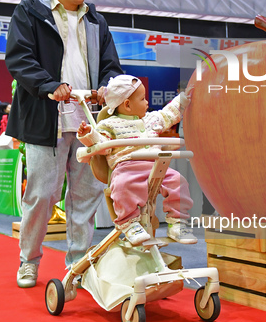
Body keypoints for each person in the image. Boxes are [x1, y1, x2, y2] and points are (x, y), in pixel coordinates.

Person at [5, 0, 123, 288]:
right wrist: (49, 85)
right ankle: (29, 260)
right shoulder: (31, 11)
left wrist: (105, 87)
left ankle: (78, 265)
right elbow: (19, 58)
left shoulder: (96, 20)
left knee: (85, 197)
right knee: (42, 195)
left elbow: (111, 66)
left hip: (87, 121)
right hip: (46, 118)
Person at [77, 75, 196, 245]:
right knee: (121, 186)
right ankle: (129, 223)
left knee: (178, 181)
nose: (147, 102)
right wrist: (88, 134)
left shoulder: (150, 119)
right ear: (127, 104)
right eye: (142, 98)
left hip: (156, 165)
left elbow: (168, 114)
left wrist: (183, 99)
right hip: (127, 167)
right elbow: (100, 143)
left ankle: (178, 223)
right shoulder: (109, 125)